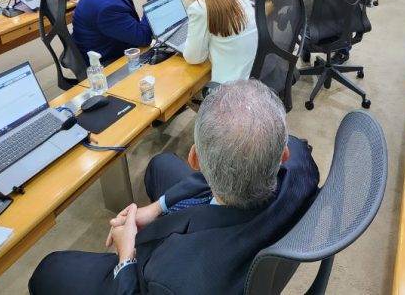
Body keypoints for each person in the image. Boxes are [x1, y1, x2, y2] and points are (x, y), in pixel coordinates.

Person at [29, 79, 318, 295]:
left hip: (183, 262)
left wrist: (125, 257)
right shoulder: (302, 164)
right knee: (160, 165)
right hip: (253, 217)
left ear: (194, 159)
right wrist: (156, 208)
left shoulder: (171, 279)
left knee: (48, 270)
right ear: (283, 155)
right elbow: (240, 163)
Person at [182, 0, 258, 83]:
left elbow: (194, 58)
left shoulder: (201, 8)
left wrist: (195, 2)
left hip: (227, 89)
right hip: (249, 77)